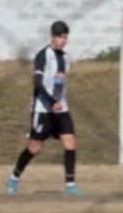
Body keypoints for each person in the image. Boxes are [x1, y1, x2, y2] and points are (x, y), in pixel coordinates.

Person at [6, 20, 81, 197]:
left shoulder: (66, 57)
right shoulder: (42, 56)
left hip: (60, 108)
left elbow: (60, 80)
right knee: (35, 147)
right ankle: (14, 178)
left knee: (70, 141)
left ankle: (70, 184)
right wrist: (51, 100)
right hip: (42, 108)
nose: (62, 40)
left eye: (64, 37)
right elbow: (37, 83)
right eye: (59, 36)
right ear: (52, 37)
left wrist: (59, 99)